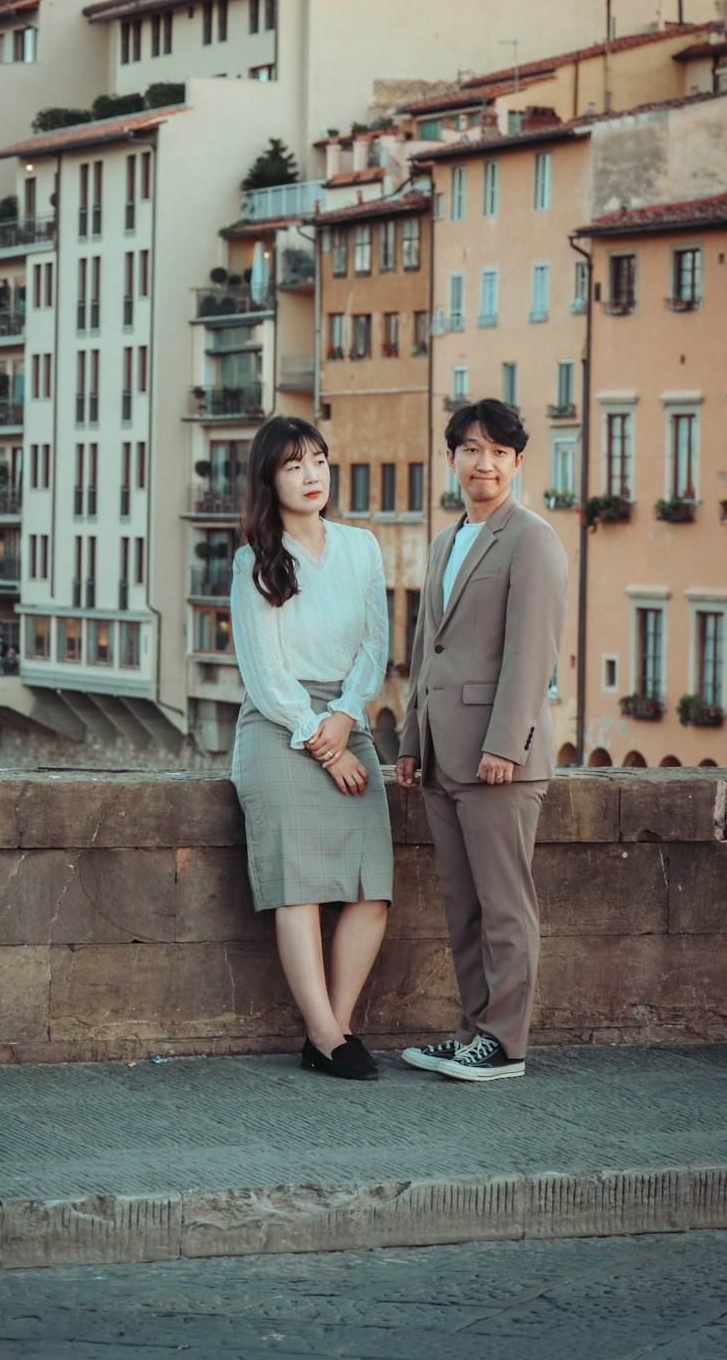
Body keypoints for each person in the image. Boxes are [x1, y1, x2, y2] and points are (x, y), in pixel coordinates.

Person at [396, 398, 568, 1082]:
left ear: (518, 463)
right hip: (443, 755)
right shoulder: (445, 541)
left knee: (504, 906)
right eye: (471, 449)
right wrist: (411, 739)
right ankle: (472, 1031)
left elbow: (533, 654)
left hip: (499, 759)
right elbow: (425, 651)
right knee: (462, 907)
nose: (484, 462)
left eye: (498, 451)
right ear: (453, 459)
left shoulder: (533, 540)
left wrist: (506, 745)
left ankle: (505, 1043)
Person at [231, 415, 393, 1082]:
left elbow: (375, 643)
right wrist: (322, 740)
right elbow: (263, 671)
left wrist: (348, 715)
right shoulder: (254, 558)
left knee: (370, 887)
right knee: (297, 888)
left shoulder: (361, 547)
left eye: (321, 460)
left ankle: (337, 1026)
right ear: (270, 478)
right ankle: (325, 1037)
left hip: (346, 715)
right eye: (295, 464)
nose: (313, 474)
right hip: (278, 726)